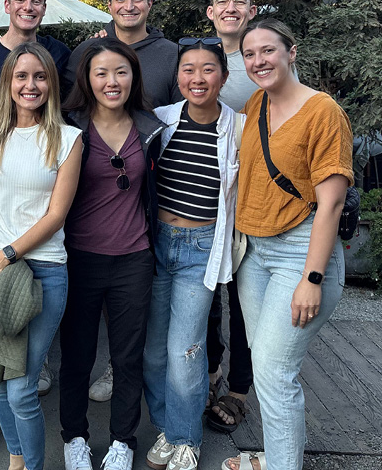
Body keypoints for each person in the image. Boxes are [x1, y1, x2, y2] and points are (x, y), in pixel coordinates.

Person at [223, 19, 352, 470]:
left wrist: (312, 278)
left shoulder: (323, 112)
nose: (258, 61)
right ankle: (279, 455)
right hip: (255, 255)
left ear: (291, 52)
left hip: (301, 253)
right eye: (250, 54)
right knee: (268, 365)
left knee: (275, 374)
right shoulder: (257, 102)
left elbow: (331, 205)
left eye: (268, 51)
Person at [0, 42, 82, 470]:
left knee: (21, 387)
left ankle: (32, 465)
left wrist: (6, 256)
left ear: (51, 83)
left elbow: (56, 215)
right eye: (21, 76)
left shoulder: (68, 139)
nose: (30, 85)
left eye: (39, 77)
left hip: (42, 270)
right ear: (7, 83)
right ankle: (16, 458)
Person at [59, 38, 164, 470]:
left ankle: (123, 440)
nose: (111, 81)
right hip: (80, 256)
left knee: (127, 355)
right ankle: (74, 438)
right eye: (101, 72)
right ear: (86, 78)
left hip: (134, 257)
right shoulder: (68, 126)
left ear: (133, 76)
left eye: (121, 72)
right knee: (78, 354)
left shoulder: (151, 125)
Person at [142, 37, 240, 470]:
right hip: (156, 242)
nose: (197, 78)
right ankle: (167, 426)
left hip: (202, 246)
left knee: (187, 348)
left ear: (223, 75)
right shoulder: (161, 120)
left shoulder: (237, 128)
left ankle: (186, 437)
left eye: (207, 69)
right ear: (177, 76)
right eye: (188, 69)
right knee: (153, 350)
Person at [203, 0, 258, 434]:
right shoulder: (200, 56)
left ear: (252, 11)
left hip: (252, 198)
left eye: (240, 2)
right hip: (203, 198)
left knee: (242, 298)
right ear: (210, 11)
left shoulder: (261, 58)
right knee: (205, 295)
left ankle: (239, 390)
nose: (231, 8)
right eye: (223, 2)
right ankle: (209, 372)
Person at [67, 0, 180, 111]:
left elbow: (181, 116)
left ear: (149, 4)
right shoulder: (86, 52)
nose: (129, 7)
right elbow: (68, 112)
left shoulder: (173, 55)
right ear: (109, 6)